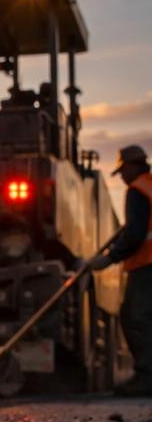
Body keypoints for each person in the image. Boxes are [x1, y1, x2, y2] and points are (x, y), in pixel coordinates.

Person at [89, 144, 152, 396]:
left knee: (135, 318)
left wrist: (110, 257)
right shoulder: (149, 186)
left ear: (131, 166)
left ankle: (147, 377)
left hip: (147, 265)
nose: (122, 178)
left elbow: (136, 234)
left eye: (122, 171)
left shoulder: (138, 191)